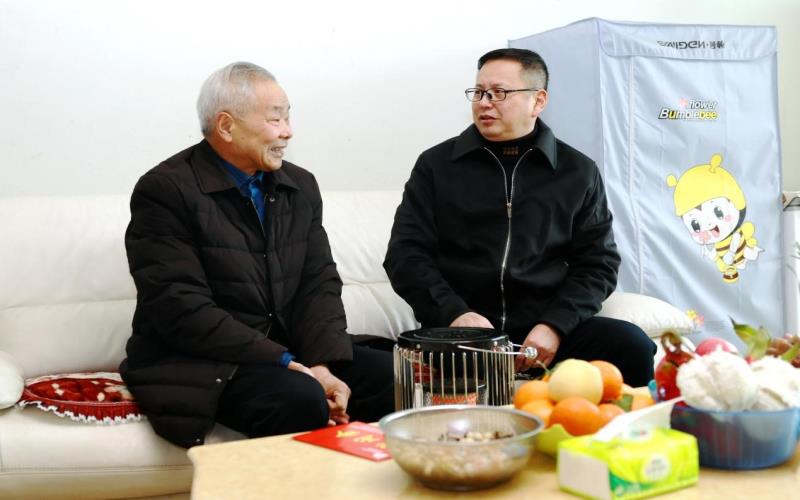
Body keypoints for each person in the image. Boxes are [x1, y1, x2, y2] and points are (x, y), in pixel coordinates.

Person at [121, 62, 394, 448]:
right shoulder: (166, 190)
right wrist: (284, 361)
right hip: (203, 359)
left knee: (393, 376)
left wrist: (320, 364)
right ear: (226, 126)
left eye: (288, 117)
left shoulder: (300, 185)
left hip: (287, 348)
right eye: (274, 119)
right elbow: (179, 307)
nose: (288, 131)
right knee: (299, 398)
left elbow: (318, 283)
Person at [384, 48, 655, 386]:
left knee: (631, 345)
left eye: (499, 93)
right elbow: (405, 255)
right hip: (460, 332)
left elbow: (599, 263)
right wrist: (455, 315)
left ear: (538, 101)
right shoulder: (436, 166)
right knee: (396, 370)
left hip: (544, 330)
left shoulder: (577, 171)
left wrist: (555, 325)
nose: (484, 103)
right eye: (479, 92)